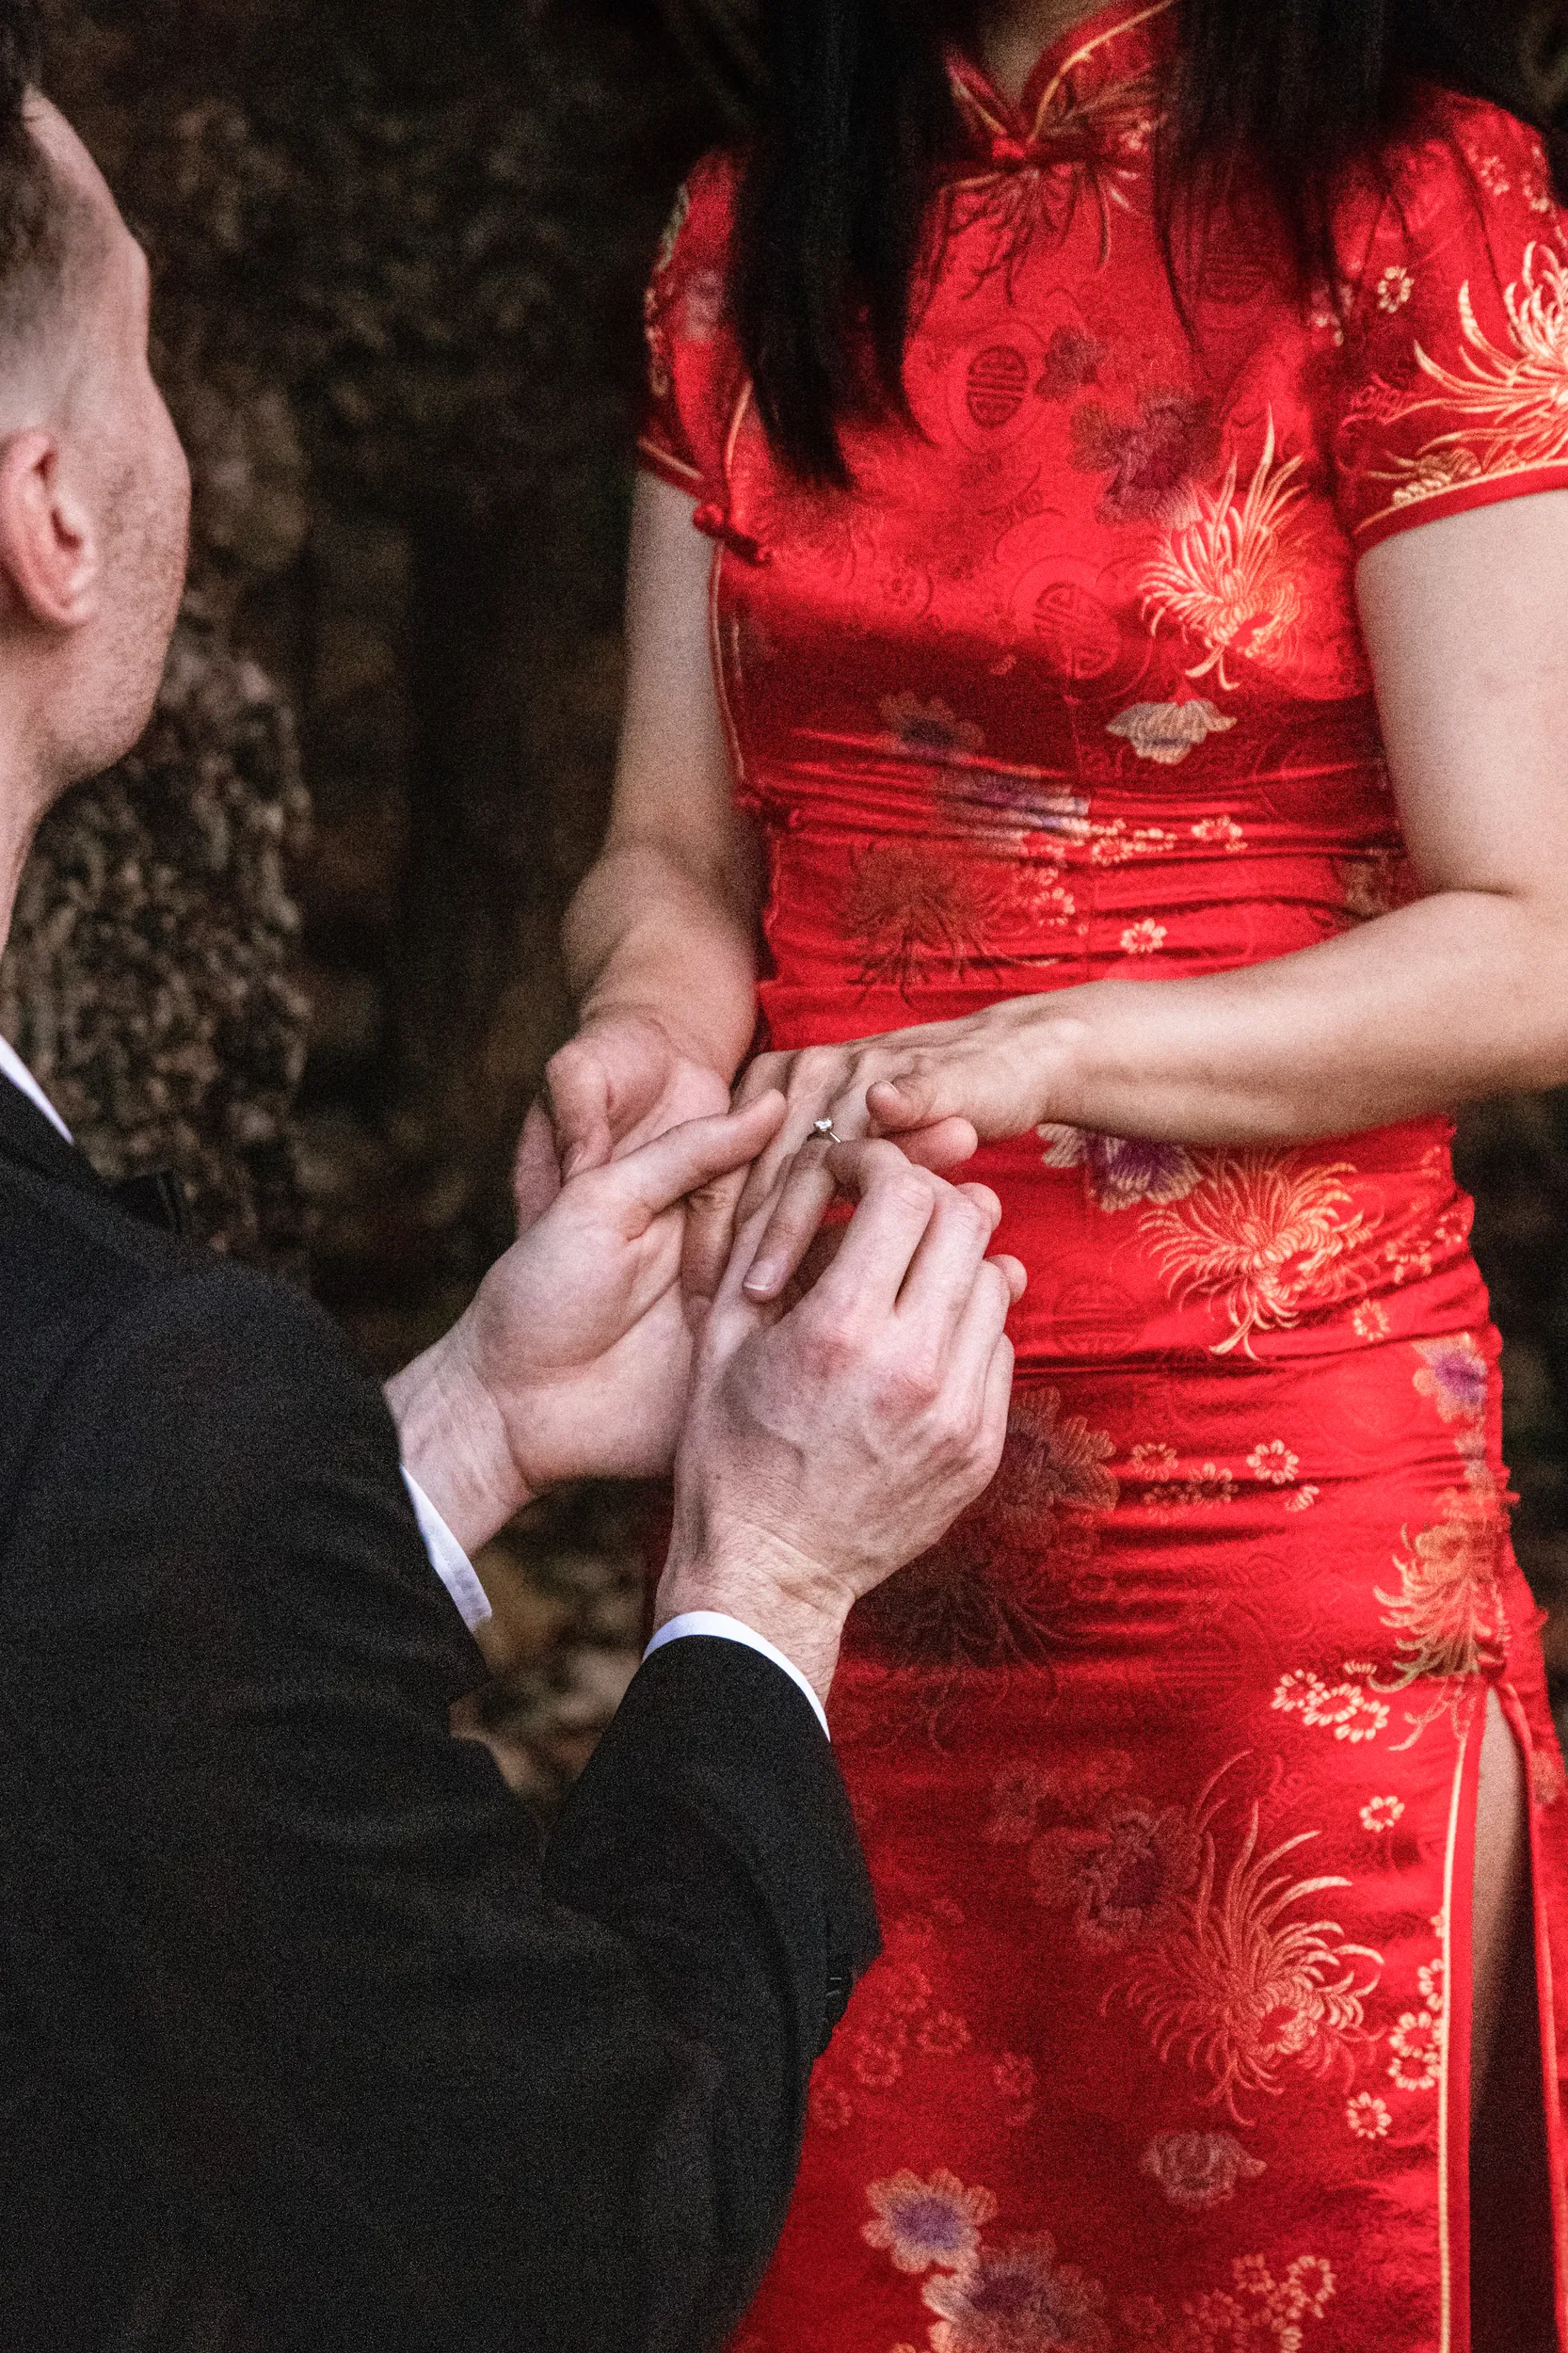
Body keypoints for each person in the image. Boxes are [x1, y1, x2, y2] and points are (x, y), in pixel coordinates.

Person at [536, 0, 1568, 2345]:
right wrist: (636, 1027)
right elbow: (667, 854)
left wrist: (1051, 1042)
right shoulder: (749, 232)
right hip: (825, 1475)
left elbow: (1539, 935)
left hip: (1254, 1525)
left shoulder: (1412, 207)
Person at [0, 16, 1029, 2352]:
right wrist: (759, 1577)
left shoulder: (122, 1411)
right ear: (51, 514)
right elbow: (567, 2258)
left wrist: (465, 1417)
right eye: (151, 344)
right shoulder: (146, 1383)